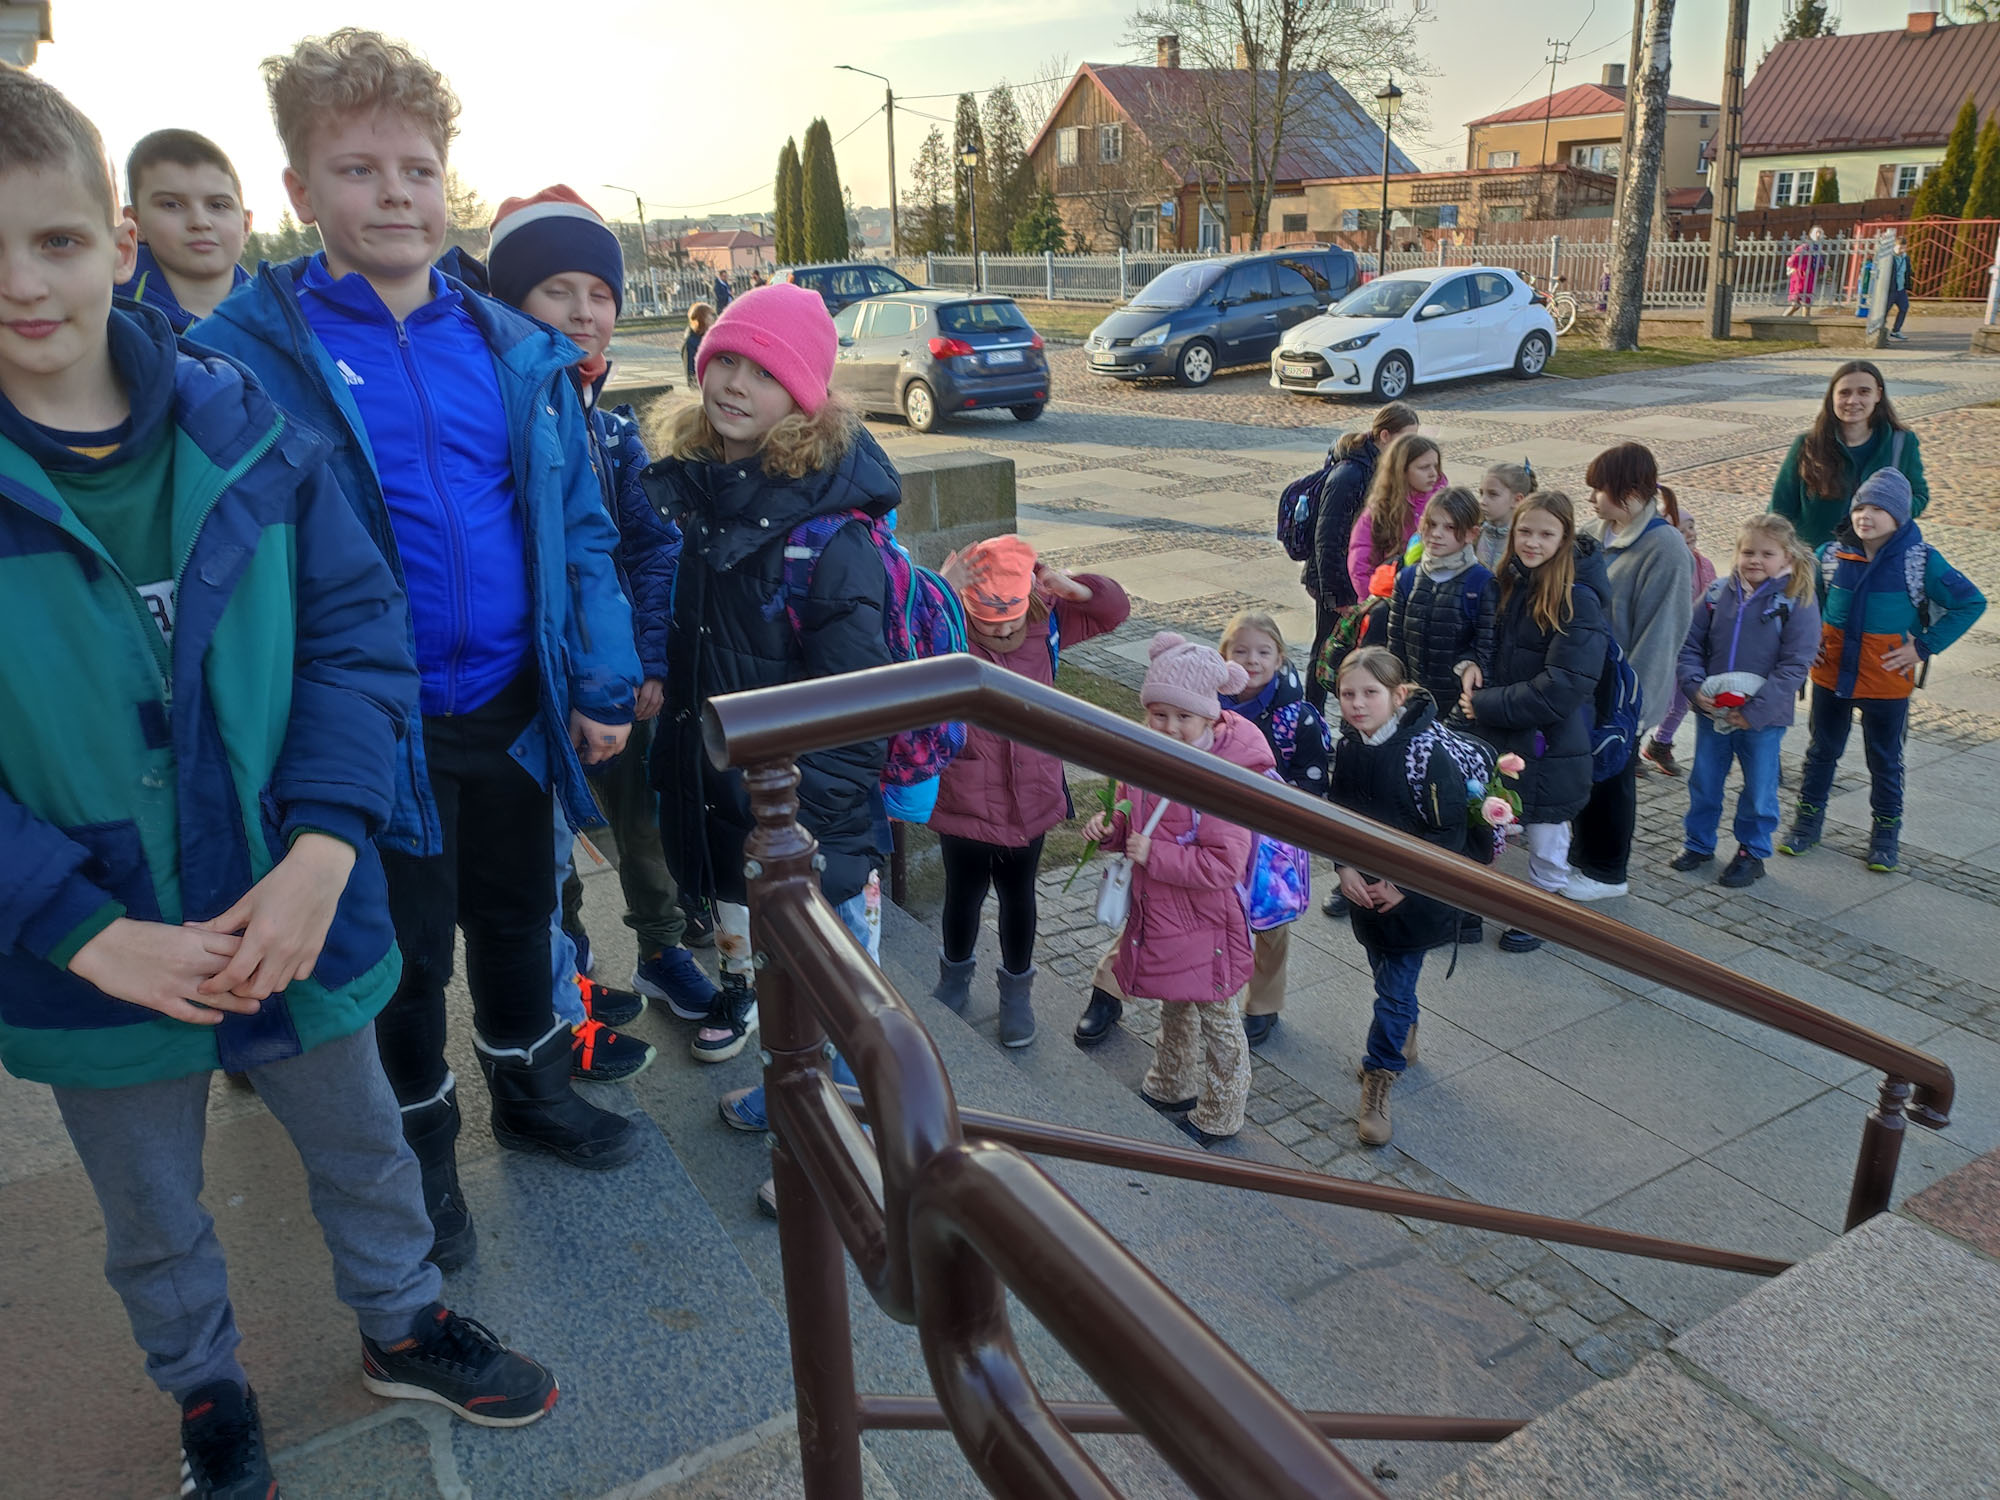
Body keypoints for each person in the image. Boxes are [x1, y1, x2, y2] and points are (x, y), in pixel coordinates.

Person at [0, 65, 556, 1498]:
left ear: (115, 243)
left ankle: (403, 1319)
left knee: (365, 1142)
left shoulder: (239, 423)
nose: (23, 284)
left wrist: (323, 846)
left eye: (54, 241)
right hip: (95, 945)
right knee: (150, 1208)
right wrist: (77, 927)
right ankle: (205, 1392)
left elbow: (355, 634)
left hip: (290, 905)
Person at [199, 29, 647, 1275]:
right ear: (299, 191)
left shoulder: (509, 349)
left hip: (508, 699)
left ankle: (532, 1089)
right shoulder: (249, 355)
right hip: (362, 724)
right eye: (357, 170)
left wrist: (601, 675)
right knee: (396, 952)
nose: (393, 195)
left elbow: (578, 527)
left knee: (517, 912)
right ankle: (422, 1152)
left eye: (416, 170)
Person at [482, 185, 723, 1066]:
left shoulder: (609, 429)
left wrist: (644, 659)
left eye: (600, 293)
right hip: (527, 682)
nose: (584, 312)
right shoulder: (493, 413)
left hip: (612, 673)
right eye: (558, 291)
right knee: (547, 849)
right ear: (512, 301)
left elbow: (651, 547)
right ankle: (571, 978)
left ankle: (660, 948)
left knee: (640, 821)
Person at [644, 281, 895, 1063]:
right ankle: (789, 1087)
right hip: (737, 807)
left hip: (805, 830)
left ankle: (845, 1119)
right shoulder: (706, 493)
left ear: (802, 399)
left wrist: (793, 832)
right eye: (726, 361)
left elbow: (858, 717)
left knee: (843, 1006)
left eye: (764, 373)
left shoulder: (827, 540)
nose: (735, 385)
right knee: (772, 977)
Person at [929, 537, 1129, 1047]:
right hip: (965, 792)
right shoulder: (947, 624)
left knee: (1019, 895)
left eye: (1010, 622)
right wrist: (939, 591)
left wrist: (1079, 590)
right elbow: (901, 643)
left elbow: (1114, 611)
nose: (1001, 632)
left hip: (1030, 792)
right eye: (988, 624)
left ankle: (1016, 994)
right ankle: (955, 975)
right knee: (963, 893)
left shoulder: (1048, 618)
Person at [1076, 635, 1272, 1144]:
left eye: (1183, 717)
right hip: (1164, 913)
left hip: (1208, 923)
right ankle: (1170, 1083)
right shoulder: (1147, 758)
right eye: (1158, 714)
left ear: (1209, 716)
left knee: (1219, 1023)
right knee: (1174, 1002)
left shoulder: (1221, 780)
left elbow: (1225, 864)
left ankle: (1223, 1112)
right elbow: (1132, 817)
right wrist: (1111, 830)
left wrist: (1155, 854)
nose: (1168, 726)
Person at [1783, 470, 1986, 872]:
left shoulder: (1920, 560)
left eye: (1878, 509)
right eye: (1860, 507)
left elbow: (1970, 603)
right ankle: (1806, 824)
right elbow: (1807, 602)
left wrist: (1923, 647)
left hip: (1886, 682)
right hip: (1831, 677)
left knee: (1885, 759)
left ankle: (1885, 836)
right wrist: (1810, 641)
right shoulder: (1830, 555)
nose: (1866, 516)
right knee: (1821, 752)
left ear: (1900, 516)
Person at [1328, 650, 1470, 1146]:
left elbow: (1449, 832)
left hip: (1416, 897)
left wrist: (1403, 884)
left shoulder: (1426, 754)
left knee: (1391, 989)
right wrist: (1344, 867)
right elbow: (1337, 815)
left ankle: (1380, 1074)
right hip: (1367, 894)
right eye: (1348, 694)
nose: (1357, 704)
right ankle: (1404, 1031)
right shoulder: (1350, 747)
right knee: (1386, 975)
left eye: (1370, 693)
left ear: (1399, 695)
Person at [1460, 491, 1608, 953]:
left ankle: (1544, 909)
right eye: (1525, 531)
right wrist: (1470, 665)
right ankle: (1469, 905)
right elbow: (1482, 642)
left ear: (1564, 538)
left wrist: (1484, 705)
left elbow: (1562, 687)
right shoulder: (1505, 583)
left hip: (1549, 741)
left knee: (1546, 831)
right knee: (1487, 818)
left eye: (1546, 533)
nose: (1532, 542)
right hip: (1501, 733)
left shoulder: (1578, 600)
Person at [1567, 444, 1693, 903]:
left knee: (1613, 779)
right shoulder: (1592, 534)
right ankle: (1581, 857)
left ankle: (1607, 871)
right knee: (1585, 771)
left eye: (1601, 489)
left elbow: (1663, 632)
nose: (1592, 498)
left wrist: (1635, 704)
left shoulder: (1665, 547)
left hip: (1621, 689)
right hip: (1584, 681)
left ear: (1633, 491)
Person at [1668, 516, 1822, 888]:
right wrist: (1694, 687)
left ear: (1786, 557)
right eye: (1748, 552)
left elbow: (1795, 665)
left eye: (1767, 554)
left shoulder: (1796, 600)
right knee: (1705, 781)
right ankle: (1698, 842)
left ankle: (1752, 853)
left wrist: (1755, 712)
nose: (1755, 560)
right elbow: (1689, 645)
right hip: (1713, 711)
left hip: (1762, 719)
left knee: (1758, 788)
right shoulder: (1717, 593)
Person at [1218, 611, 1331, 1047]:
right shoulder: (1206, 704)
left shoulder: (1297, 717)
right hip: (1211, 825)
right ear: (1224, 656)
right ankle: (1111, 987)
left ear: (1280, 658)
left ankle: (1264, 1003)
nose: (1252, 660)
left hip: (1268, 836)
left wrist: (1279, 805)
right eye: (1241, 651)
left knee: (1270, 919)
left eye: (1264, 652)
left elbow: (1312, 778)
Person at [1304, 400, 1418, 713]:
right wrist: (1337, 595)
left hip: (1359, 577)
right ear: (1385, 436)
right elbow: (1327, 538)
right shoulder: (1350, 473)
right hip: (1334, 579)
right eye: (1406, 437)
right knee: (1326, 646)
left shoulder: (1381, 469)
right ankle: (1312, 713)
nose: (1410, 446)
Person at [1769, 360, 1928, 551]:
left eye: (1864, 392)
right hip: (1816, 560)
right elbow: (1779, 508)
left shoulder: (1901, 443)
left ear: (1878, 394)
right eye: (1844, 393)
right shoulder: (1808, 444)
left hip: (1878, 557)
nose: (1853, 401)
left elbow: (1919, 495)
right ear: (1832, 397)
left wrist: (1890, 511)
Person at [118, 129, 251, 330]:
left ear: (246, 225)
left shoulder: (281, 317)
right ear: (136, 223)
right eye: (172, 205)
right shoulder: (108, 316)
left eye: (218, 205)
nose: (200, 222)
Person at [1387, 485, 1496, 725]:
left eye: (1449, 528)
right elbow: (1396, 646)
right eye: (1432, 524)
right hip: (1413, 705)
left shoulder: (1481, 583)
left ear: (1471, 534)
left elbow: (1486, 652)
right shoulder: (1407, 579)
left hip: (1458, 709)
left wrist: (1462, 715)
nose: (1436, 534)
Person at [1639, 507, 1718, 777]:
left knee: (1682, 699)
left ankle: (1661, 743)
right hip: (1665, 644)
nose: (1689, 534)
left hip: (1691, 646)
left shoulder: (1705, 564)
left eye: (1691, 526)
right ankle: (1632, 744)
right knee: (1653, 700)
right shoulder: (1664, 564)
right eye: (1681, 530)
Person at [1347, 431, 1445, 603]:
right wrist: (1376, 601)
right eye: (1424, 467)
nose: (1433, 473)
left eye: (1435, 466)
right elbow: (1360, 565)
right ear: (1402, 471)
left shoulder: (1443, 504)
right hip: (1390, 599)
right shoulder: (1379, 511)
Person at [1475, 460, 1536, 572]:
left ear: (1517, 500)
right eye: (1481, 493)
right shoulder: (1474, 534)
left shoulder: (1525, 542)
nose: (1482, 501)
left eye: (1493, 494)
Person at [1784, 227, 1825, 317]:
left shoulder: (1817, 249)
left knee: (1803, 304)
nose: (1818, 235)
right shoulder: (1804, 247)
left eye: (1820, 233)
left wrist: (1824, 267)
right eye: (1817, 232)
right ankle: (1782, 320)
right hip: (1800, 278)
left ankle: (1786, 320)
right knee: (1798, 304)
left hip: (1809, 278)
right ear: (1811, 234)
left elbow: (1817, 264)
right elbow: (1792, 260)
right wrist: (1798, 269)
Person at [1884, 236, 1913, 341]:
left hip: (1901, 289)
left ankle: (1896, 330)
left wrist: (1908, 284)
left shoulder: (1905, 258)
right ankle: (1880, 331)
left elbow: (1907, 272)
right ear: (1894, 247)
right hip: (1890, 289)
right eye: (1900, 248)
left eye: (1904, 248)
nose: (1902, 250)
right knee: (1885, 310)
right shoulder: (1889, 258)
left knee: (1904, 308)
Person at [683, 299, 715, 389]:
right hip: (703, 386)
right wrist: (695, 388)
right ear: (702, 318)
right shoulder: (691, 342)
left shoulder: (710, 336)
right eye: (710, 315)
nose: (713, 318)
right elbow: (690, 370)